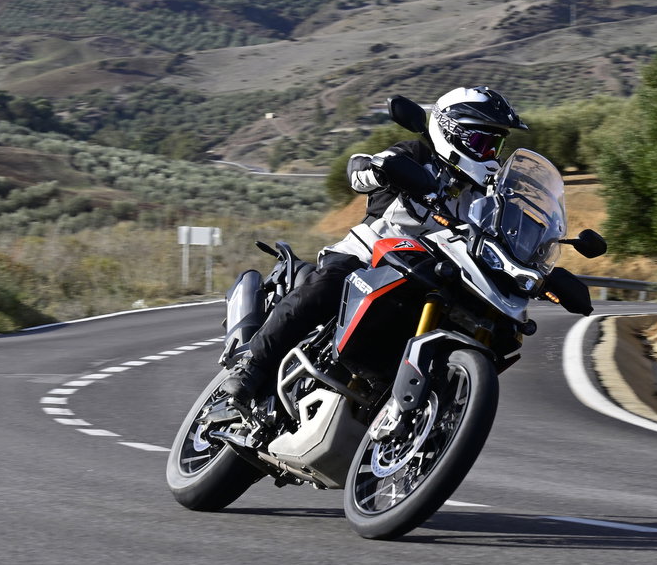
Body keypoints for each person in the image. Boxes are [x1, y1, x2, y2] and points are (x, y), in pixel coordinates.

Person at [217, 86, 527, 405]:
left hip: (429, 279)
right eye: (482, 142)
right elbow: (359, 172)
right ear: (452, 132)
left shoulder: (484, 199)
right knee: (325, 287)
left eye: (496, 145)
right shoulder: (417, 158)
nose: (490, 153)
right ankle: (252, 368)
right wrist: (381, 169)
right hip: (368, 259)